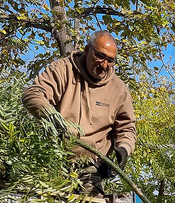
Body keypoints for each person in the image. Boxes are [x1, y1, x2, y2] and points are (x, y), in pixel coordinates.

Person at [23, 30, 136, 193]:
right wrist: (53, 118)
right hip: (53, 159)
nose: (104, 65)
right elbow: (33, 94)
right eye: (100, 56)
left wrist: (124, 149)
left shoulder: (119, 90)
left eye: (110, 60)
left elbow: (127, 128)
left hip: (90, 167)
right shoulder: (63, 70)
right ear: (87, 50)